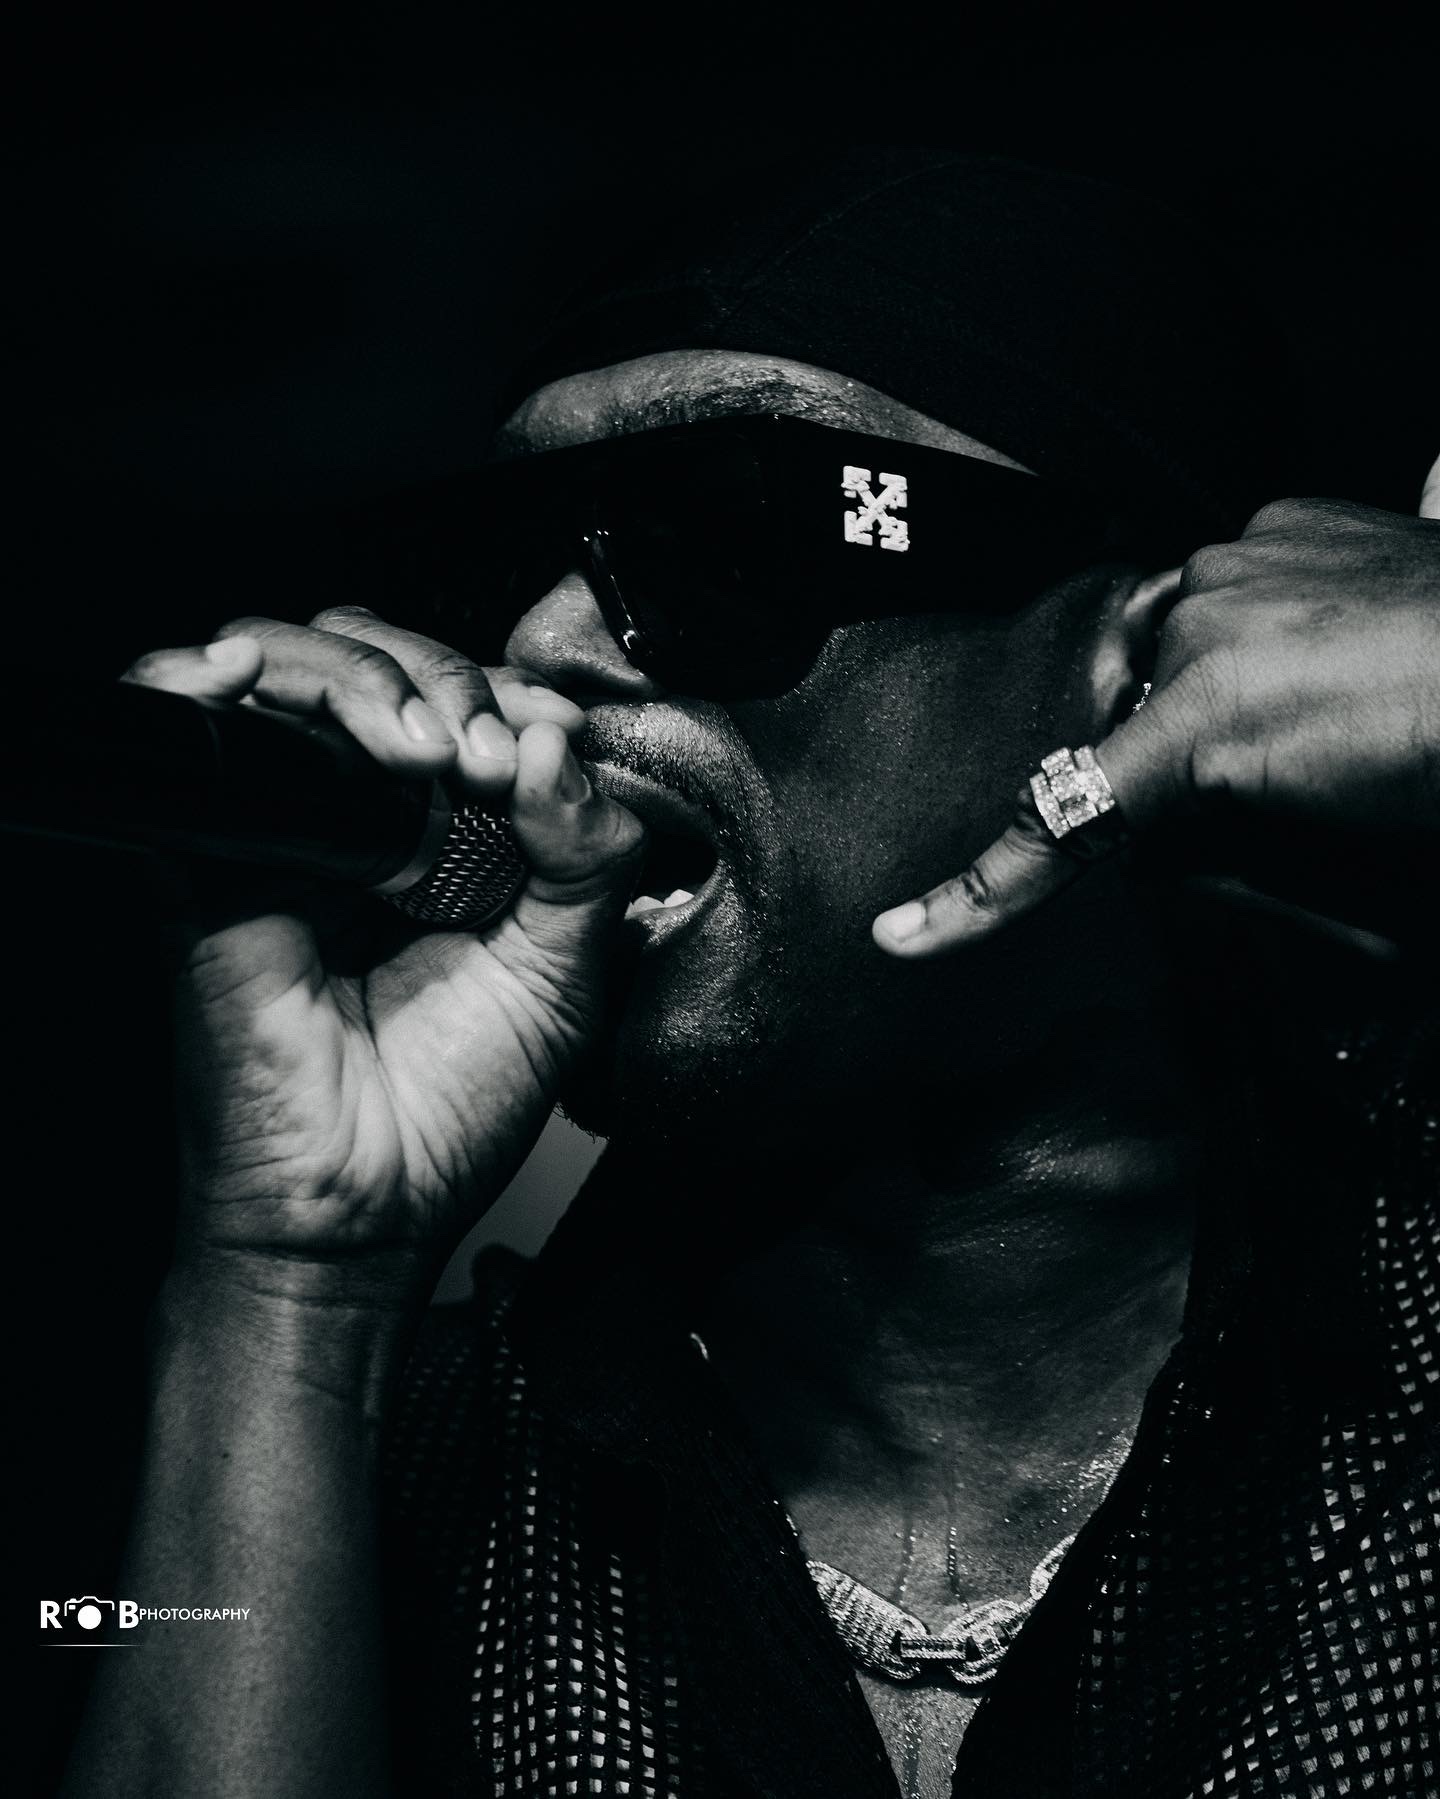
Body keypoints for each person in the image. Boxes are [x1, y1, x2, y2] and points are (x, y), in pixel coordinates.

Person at [61, 152, 1437, 1799]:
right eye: (498, 556)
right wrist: (292, 1291)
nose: (547, 643)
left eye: (719, 536)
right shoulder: (380, 1456)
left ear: (1143, 664)